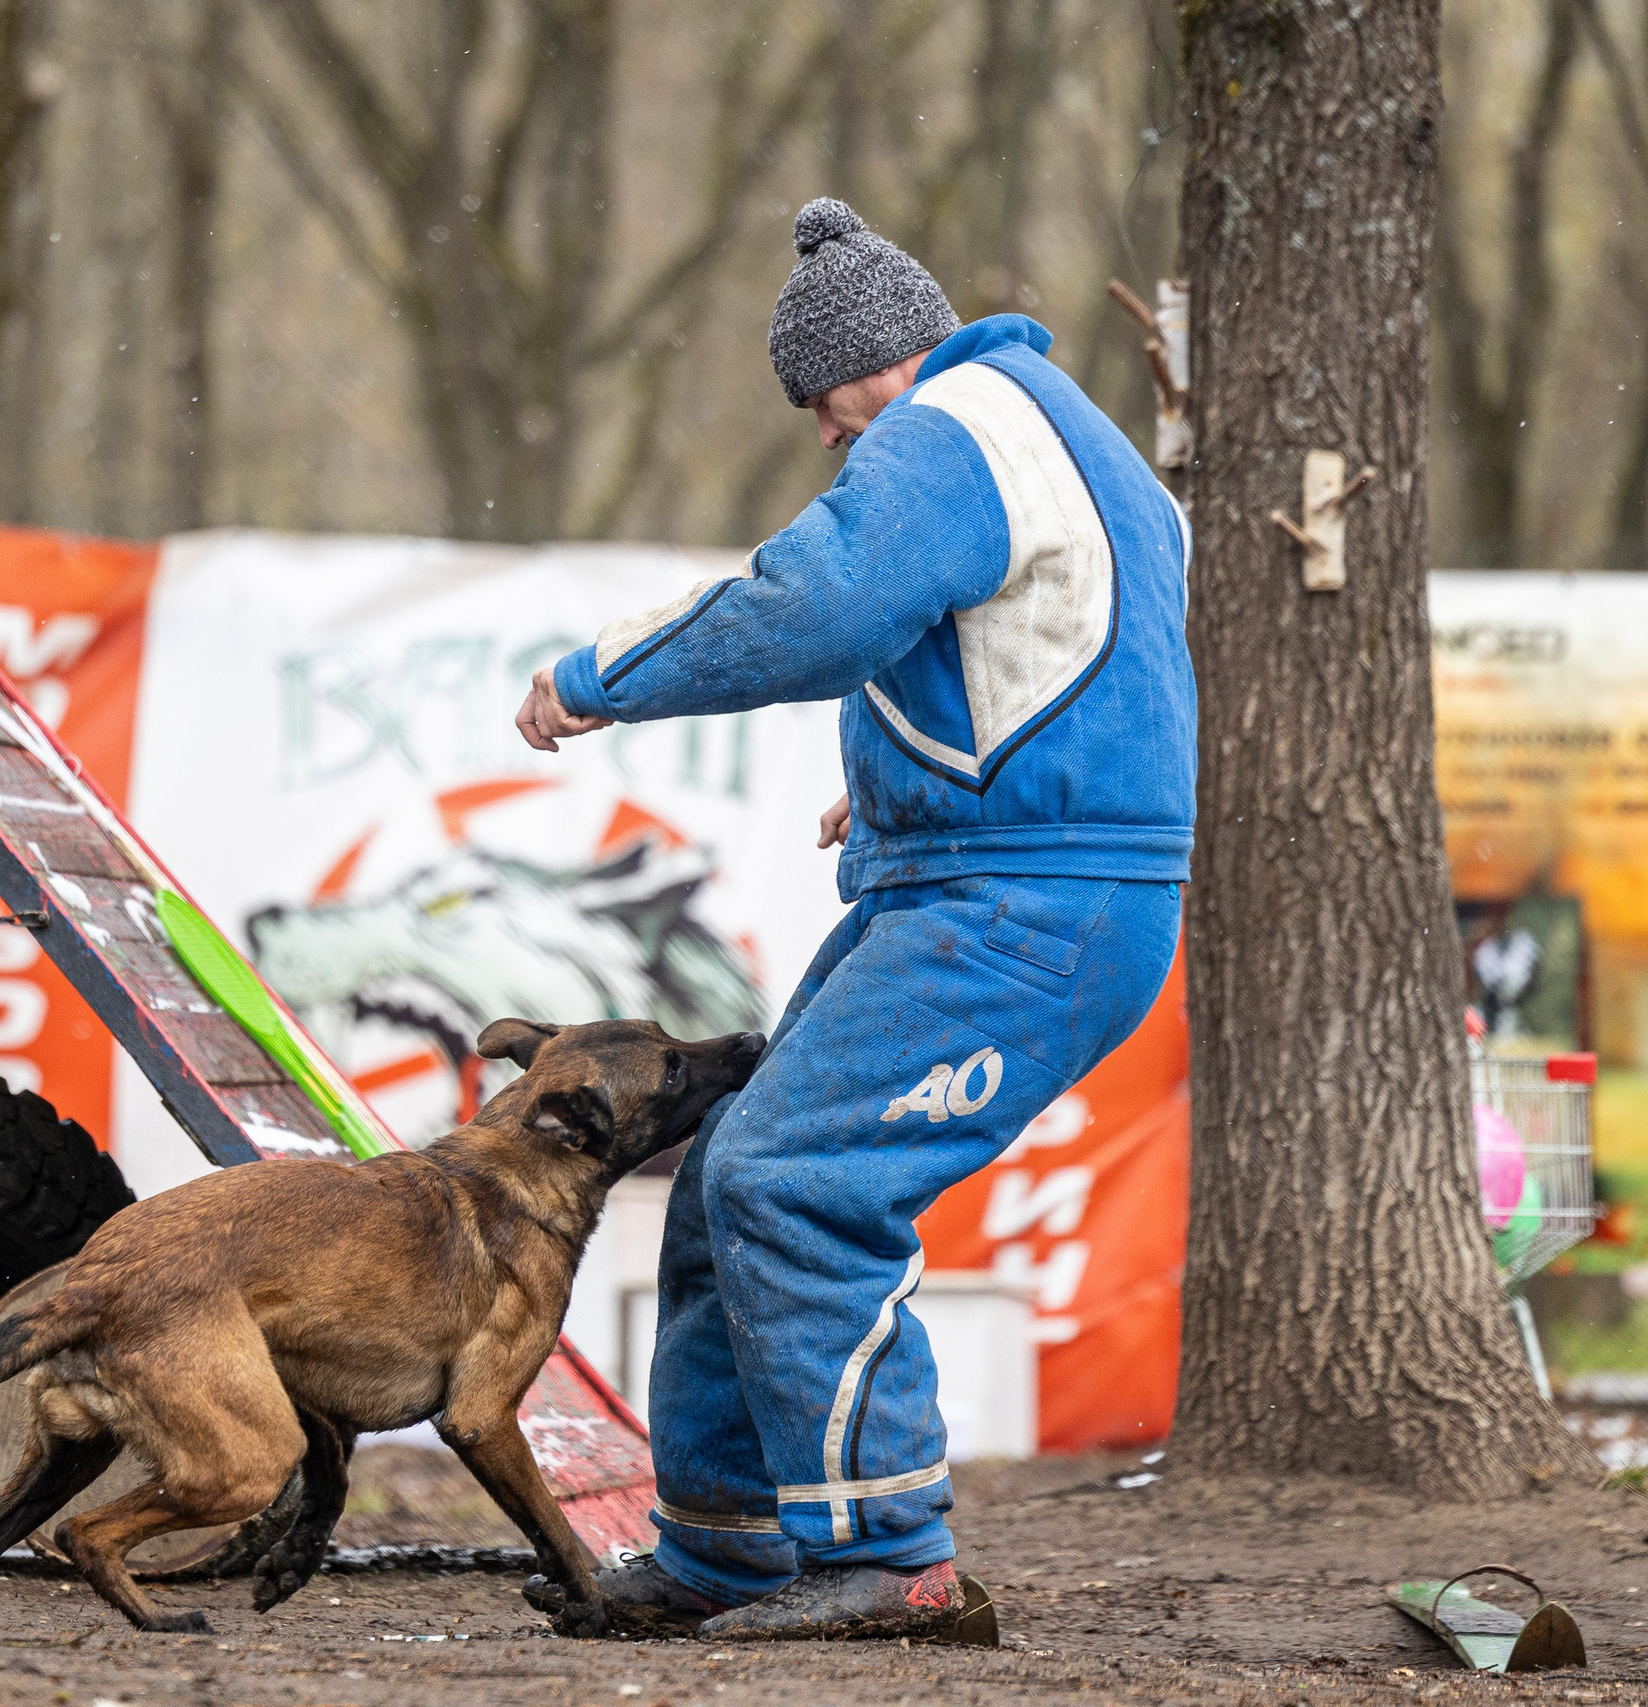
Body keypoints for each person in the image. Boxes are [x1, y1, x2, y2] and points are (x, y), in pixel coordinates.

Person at [515, 199, 1193, 1640]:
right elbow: (1063, 652)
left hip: (1029, 906)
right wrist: (894, 789)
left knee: (797, 1178)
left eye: (818, 403)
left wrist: (599, 675)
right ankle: (727, 1543)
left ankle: (892, 1552)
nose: (826, 437)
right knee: (723, 1182)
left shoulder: (951, 428)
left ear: (873, 360)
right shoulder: (1058, 427)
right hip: (1000, 870)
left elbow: (815, 606)